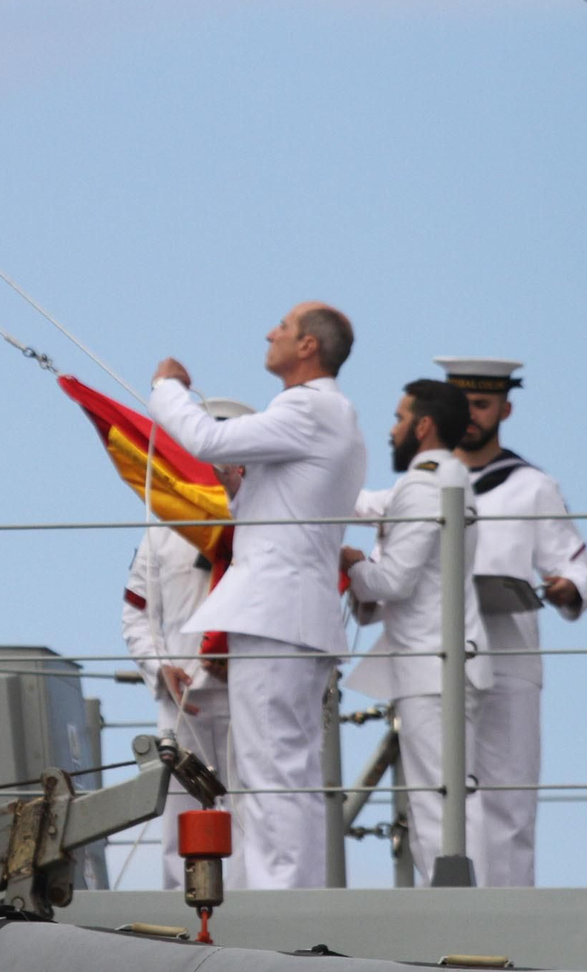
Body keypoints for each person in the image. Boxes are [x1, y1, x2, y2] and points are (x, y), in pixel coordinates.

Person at [148, 301, 365, 889]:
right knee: (277, 769)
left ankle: (281, 907)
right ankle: (289, 898)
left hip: (277, 618)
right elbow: (278, 515)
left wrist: (168, 386)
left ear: (308, 348)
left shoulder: (308, 408)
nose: (270, 332)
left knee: (271, 772)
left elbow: (201, 436)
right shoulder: (330, 416)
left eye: (284, 328)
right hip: (291, 615)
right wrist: (242, 490)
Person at [435, 356, 587, 887]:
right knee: (437, 796)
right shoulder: (425, 481)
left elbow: (573, 564)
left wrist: (567, 585)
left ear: (504, 408)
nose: (471, 415)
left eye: (482, 405)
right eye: (462, 405)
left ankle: (507, 919)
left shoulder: (532, 485)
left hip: (508, 655)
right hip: (437, 653)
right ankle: (444, 920)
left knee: (509, 797)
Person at [341, 379, 493, 883]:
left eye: (399, 417)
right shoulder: (443, 476)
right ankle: (464, 912)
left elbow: (392, 581)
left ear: (423, 425)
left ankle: (460, 921)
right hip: (441, 665)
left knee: (438, 806)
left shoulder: (424, 483)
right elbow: (368, 505)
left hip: (433, 671)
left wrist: (354, 564)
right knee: (447, 801)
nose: (392, 429)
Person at [119, 397, 251, 889]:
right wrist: (159, 668)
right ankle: (181, 934)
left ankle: (254, 928)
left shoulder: (268, 527)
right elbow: (136, 616)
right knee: (178, 825)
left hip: (249, 693)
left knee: (253, 819)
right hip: (180, 701)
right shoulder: (160, 530)